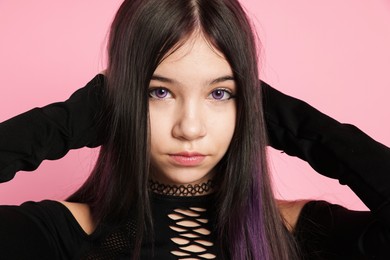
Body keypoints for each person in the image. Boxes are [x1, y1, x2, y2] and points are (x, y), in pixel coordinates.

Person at [1, 0, 389, 259]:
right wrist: (82, 115)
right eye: (159, 92)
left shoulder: (299, 233)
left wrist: (279, 116)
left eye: (220, 93)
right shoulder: (64, 235)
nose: (190, 127)